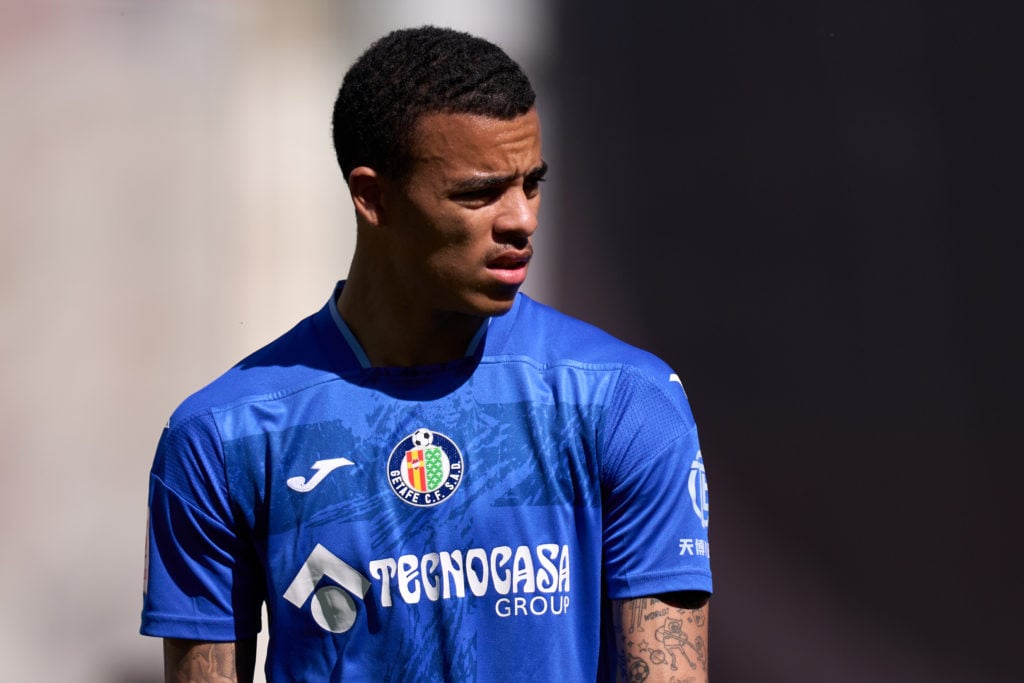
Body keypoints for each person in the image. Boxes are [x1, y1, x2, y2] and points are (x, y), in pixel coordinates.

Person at [141, 26, 712, 682]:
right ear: (373, 196)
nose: (521, 218)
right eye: (479, 192)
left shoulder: (624, 398)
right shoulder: (223, 436)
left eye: (531, 183)